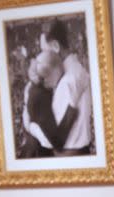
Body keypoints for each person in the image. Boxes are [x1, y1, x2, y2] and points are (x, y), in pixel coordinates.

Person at [39, 19, 92, 156]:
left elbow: (57, 138)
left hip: (70, 155)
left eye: (44, 51)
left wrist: (31, 125)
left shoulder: (68, 80)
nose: (42, 57)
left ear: (56, 46)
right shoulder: (77, 70)